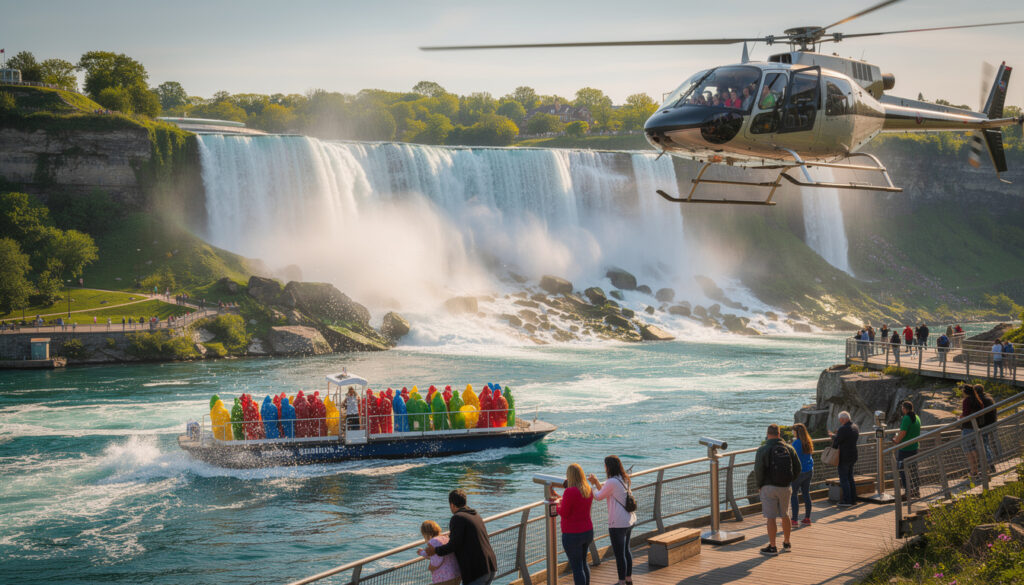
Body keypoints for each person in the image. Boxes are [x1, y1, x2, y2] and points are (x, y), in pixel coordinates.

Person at [425, 490, 497, 585]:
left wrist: (435, 550)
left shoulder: (457, 518)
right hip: (490, 566)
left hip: (476, 570)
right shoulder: (475, 515)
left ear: (452, 504)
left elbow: (454, 545)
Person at [588, 456, 636, 585]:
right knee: (626, 550)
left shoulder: (611, 482)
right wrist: (597, 482)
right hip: (629, 519)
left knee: (620, 554)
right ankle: (628, 579)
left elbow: (598, 496)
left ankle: (621, 581)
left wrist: (590, 487)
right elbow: (605, 492)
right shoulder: (623, 478)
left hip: (618, 523)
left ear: (608, 467)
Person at [755, 424, 799, 555]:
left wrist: (760, 485)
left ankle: (772, 546)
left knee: (771, 518)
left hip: (768, 487)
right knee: (785, 515)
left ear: (768, 434)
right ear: (779, 434)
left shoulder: (763, 449)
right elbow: (798, 468)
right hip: (785, 487)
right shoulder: (789, 448)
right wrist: (789, 480)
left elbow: (758, 470)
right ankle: (786, 543)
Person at [552, 463, 594, 585]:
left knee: (577, 568)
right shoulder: (588, 489)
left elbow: (564, 513)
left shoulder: (570, 491)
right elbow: (575, 504)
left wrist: (556, 504)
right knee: (583, 563)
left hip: (572, 534)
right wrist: (559, 498)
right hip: (587, 531)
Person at [891, 401, 921, 498]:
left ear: (904, 409)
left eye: (902, 408)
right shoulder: (917, 418)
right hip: (914, 447)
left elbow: (903, 432)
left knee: (903, 469)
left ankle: (908, 491)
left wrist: (896, 440)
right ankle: (916, 490)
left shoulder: (906, 418)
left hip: (905, 448)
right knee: (913, 470)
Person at [829, 411, 859, 508]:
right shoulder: (855, 427)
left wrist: (833, 437)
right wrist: (836, 436)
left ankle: (847, 500)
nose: (840, 421)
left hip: (844, 456)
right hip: (853, 455)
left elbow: (837, 442)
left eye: (840, 420)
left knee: (844, 479)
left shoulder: (843, 429)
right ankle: (853, 499)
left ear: (844, 419)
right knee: (850, 477)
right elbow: (845, 438)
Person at [418, 520, 460, 585]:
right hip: (456, 573)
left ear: (425, 533)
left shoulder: (432, 542)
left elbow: (437, 560)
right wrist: (422, 553)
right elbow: (437, 553)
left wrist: (430, 567)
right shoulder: (445, 538)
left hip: (444, 577)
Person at [789, 422, 814, 526]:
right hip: (808, 470)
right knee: (806, 494)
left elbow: (790, 457)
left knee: (794, 494)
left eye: (793, 430)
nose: (792, 432)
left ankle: (794, 519)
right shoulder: (808, 441)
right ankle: (807, 518)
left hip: (798, 472)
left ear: (796, 432)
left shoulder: (795, 444)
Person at [959, 384, 984, 477]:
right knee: (974, 449)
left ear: (965, 392)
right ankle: (977, 469)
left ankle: (973, 471)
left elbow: (965, 415)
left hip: (967, 428)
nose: (962, 393)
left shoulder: (966, 401)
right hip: (975, 427)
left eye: (962, 391)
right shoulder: (978, 400)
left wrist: (960, 417)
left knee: (968, 450)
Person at [972, 384, 997, 470]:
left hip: (982, 426)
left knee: (984, 445)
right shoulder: (989, 399)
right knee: (986, 445)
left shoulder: (979, 400)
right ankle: (989, 464)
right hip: (990, 424)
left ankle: (989, 465)